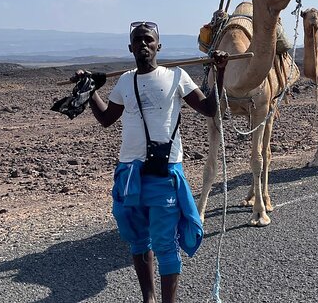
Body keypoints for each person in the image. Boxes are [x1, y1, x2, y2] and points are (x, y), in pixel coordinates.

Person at [74, 21, 228, 303]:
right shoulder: (124, 80)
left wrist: (220, 73)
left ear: (159, 46)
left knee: (165, 243)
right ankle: (149, 298)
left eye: (149, 40)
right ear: (130, 48)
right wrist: (89, 88)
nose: (143, 44)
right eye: (138, 41)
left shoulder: (177, 76)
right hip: (129, 172)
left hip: (164, 172)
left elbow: (208, 109)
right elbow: (107, 119)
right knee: (137, 239)